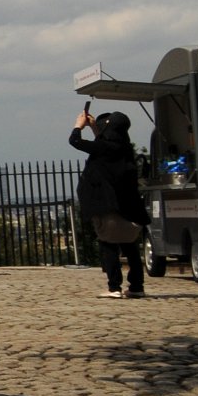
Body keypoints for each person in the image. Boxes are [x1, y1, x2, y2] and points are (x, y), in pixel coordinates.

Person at [71, 109, 150, 298]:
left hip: (109, 206)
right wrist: (96, 129)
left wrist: (78, 125)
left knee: (109, 245)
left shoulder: (107, 149)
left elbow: (75, 142)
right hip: (130, 208)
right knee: (131, 247)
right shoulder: (124, 148)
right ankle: (137, 286)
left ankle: (114, 286)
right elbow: (105, 144)